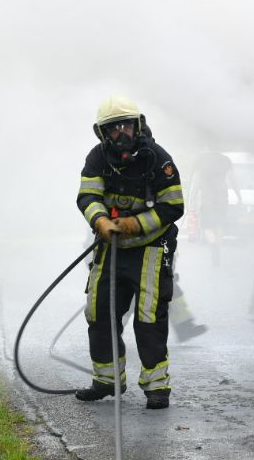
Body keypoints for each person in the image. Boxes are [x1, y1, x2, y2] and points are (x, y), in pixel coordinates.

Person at [75, 95, 185, 408]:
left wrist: (134, 224)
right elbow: (87, 196)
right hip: (111, 246)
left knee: (148, 317)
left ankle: (156, 387)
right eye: (113, 129)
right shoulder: (97, 159)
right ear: (102, 133)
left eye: (126, 125)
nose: (121, 134)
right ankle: (107, 380)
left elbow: (173, 206)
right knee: (99, 312)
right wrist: (100, 220)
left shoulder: (158, 160)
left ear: (137, 126)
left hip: (151, 247)